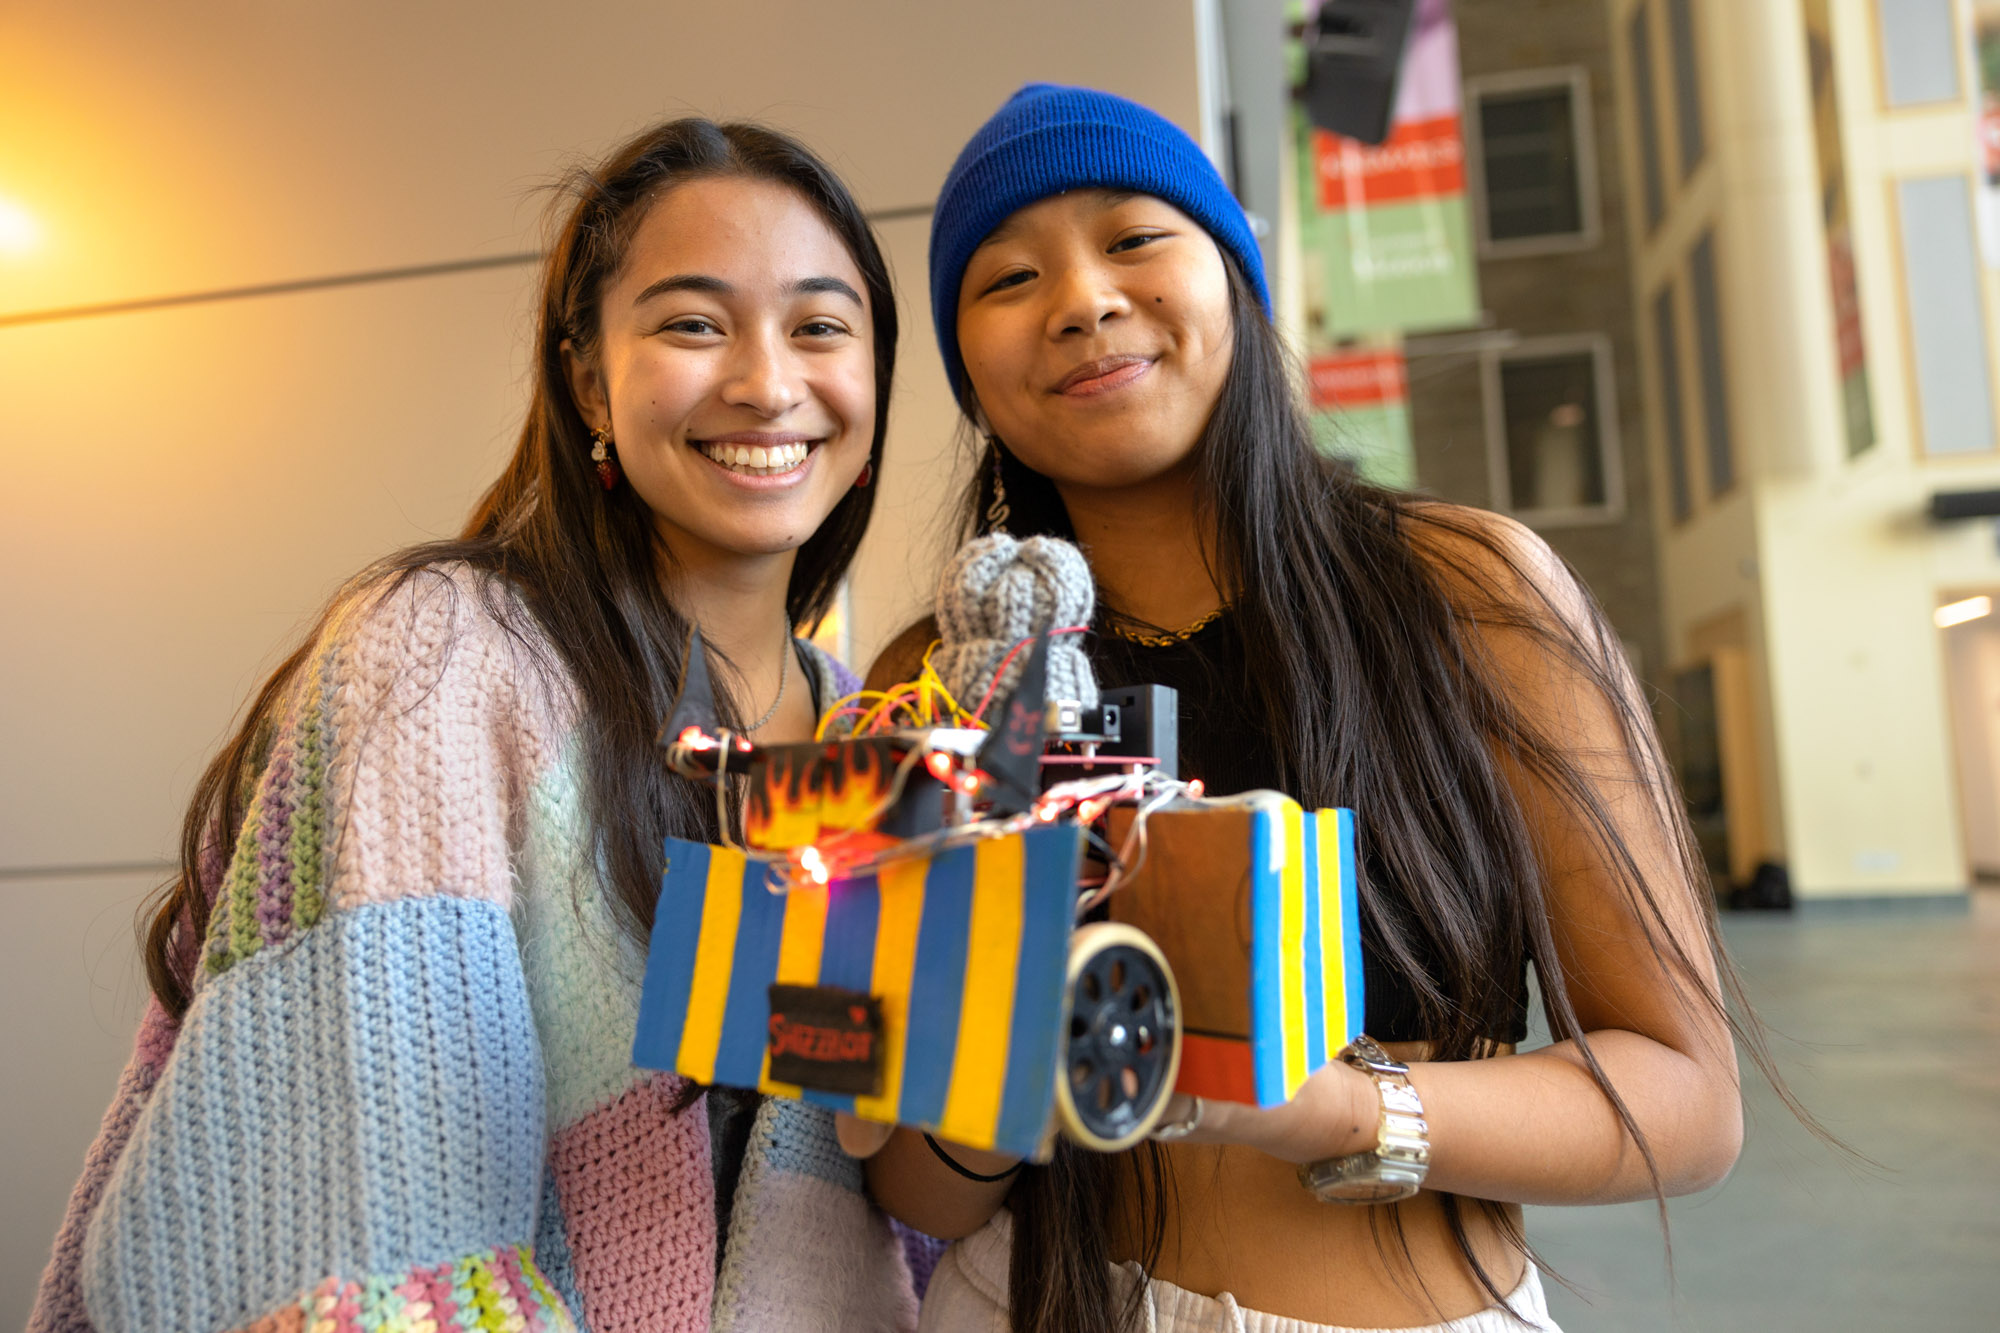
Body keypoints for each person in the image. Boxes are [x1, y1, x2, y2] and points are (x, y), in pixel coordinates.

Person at [854, 84, 1768, 1333]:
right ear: (966, 369)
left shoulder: (1465, 591)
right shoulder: (939, 673)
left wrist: (1327, 1103)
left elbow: (1685, 1100)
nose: (1078, 300)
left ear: (1233, 275)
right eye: (1006, 281)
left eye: (1132, 240)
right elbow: (929, 1195)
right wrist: (979, 1040)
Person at [30, 117, 922, 1333]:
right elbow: (382, 1225)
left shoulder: (864, 726)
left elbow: (903, 1177)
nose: (768, 381)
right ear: (588, 380)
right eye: (692, 323)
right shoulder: (448, 654)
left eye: (820, 326)